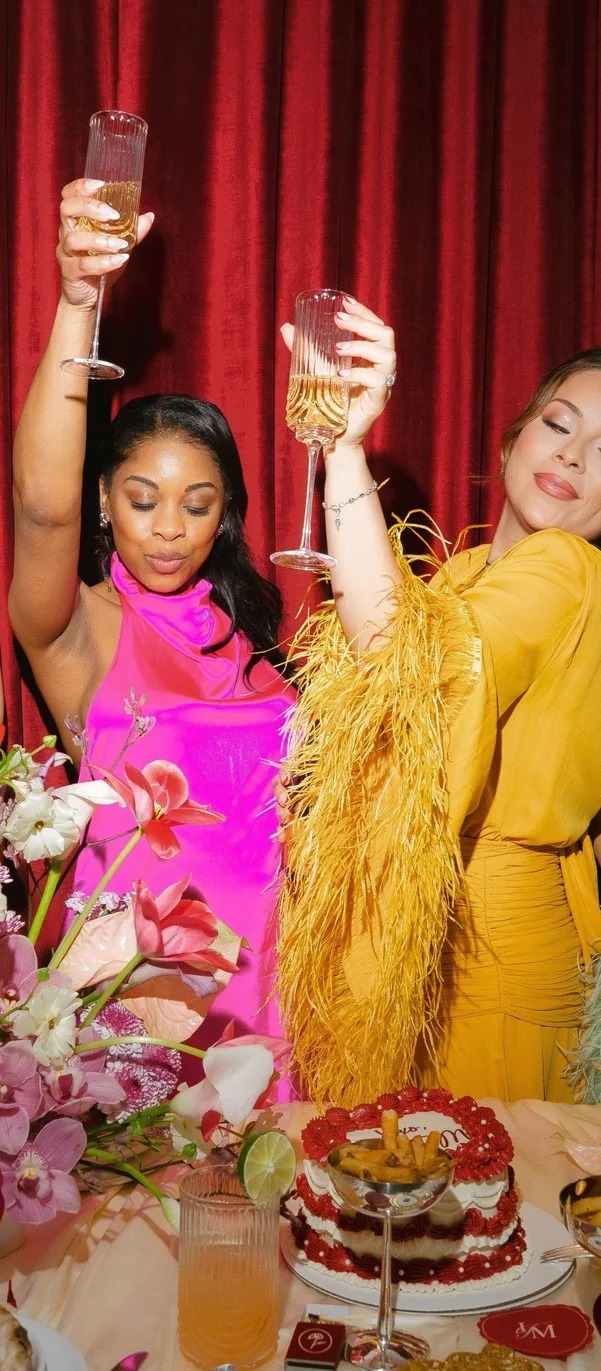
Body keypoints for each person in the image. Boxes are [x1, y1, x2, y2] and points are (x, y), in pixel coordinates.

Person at [277, 302, 601, 1106]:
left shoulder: (570, 569)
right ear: (514, 437)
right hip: (409, 945)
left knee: (475, 1208)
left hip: (488, 958)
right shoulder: (457, 578)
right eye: (557, 423)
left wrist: (347, 449)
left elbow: (402, 654)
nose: (569, 455)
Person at [8, 180, 296, 1052]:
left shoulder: (255, 644)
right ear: (104, 499)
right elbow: (41, 508)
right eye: (142, 499)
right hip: (140, 1014)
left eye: (198, 504)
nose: (170, 528)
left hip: (281, 995)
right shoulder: (78, 629)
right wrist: (77, 303)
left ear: (225, 515)